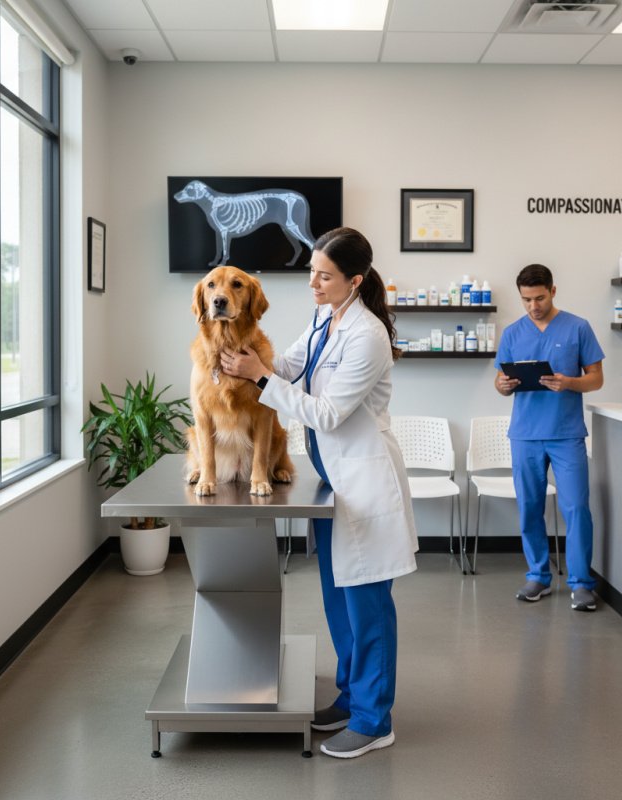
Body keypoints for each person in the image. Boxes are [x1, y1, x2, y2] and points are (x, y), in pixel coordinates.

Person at [220, 227, 418, 758]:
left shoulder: (368, 335)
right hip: (332, 483)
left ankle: (376, 721)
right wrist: (248, 358)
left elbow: (328, 413)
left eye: (324, 275)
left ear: (354, 281)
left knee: (368, 605)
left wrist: (261, 380)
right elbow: (290, 367)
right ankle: (352, 698)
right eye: (311, 271)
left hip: (365, 480)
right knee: (338, 601)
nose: (313, 282)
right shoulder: (322, 319)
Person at [494, 264, 604, 612]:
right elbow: (500, 382)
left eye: (539, 298)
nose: (533, 306)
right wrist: (502, 385)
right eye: (526, 300)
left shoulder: (578, 328)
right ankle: (538, 576)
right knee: (529, 508)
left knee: (576, 508)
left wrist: (568, 382)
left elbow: (596, 378)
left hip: (566, 434)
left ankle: (581, 583)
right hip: (525, 435)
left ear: (553, 291)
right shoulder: (513, 333)